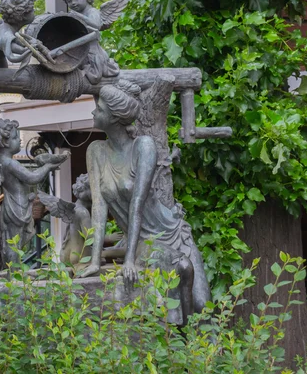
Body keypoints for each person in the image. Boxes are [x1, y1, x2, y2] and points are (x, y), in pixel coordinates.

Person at [79, 80, 210, 325]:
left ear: (115, 117)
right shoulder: (95, 151)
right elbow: (98, 208)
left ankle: (197, 350)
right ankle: (184, 342)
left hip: (169, 232)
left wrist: (128, 261)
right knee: (182, 269)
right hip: (142, 241)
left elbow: (136, 204)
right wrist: (95, 261)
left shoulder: (144, 147)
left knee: (203, 305)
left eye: (100, 109)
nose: (94, 112)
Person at [0, 119, 67, 265]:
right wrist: (47, 167)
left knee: (14, 243)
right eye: (16, 137)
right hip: (17, 207)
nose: (20, 141)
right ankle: (13, 273)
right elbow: (32, 177)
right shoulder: (9, 162)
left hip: (15, 205)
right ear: (5, 142)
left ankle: (13, 270)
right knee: (14, 244)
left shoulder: (2, 161)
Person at [59, 0, 120, 85]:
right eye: (69, 0)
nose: (73, 3)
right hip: (80, 53)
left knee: (95, 77)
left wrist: (79, 16)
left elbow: (96, 26)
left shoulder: (92, 12)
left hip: (93, 53)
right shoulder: (75, 15)